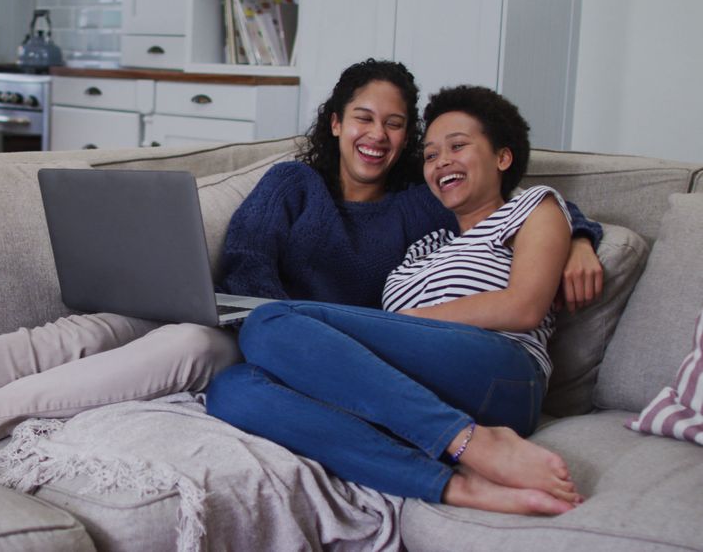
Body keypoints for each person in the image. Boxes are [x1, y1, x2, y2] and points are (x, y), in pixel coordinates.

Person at [0, 60, 603, 458]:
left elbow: (514, 201)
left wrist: (585, 238)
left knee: (192, 348)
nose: (377, 135)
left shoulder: (426, 203)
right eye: (360, 117)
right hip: (240, 315)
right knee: (76, 331)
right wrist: (252, 306)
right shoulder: (289, 183)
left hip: (279, 348)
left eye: (393, 124)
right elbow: (242, 257)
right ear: (337, 122)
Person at [206, 84, 584, 516]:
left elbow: (524, 306)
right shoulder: (423, 245)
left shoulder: (533, 207)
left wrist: (582, 240)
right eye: (430, 154)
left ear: (503, 157)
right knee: (232, 390)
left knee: (268, 322)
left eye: (457, 146)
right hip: (415, 393)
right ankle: (451, 484)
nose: (441, 160)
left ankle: (470, 442)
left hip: (503, 373)